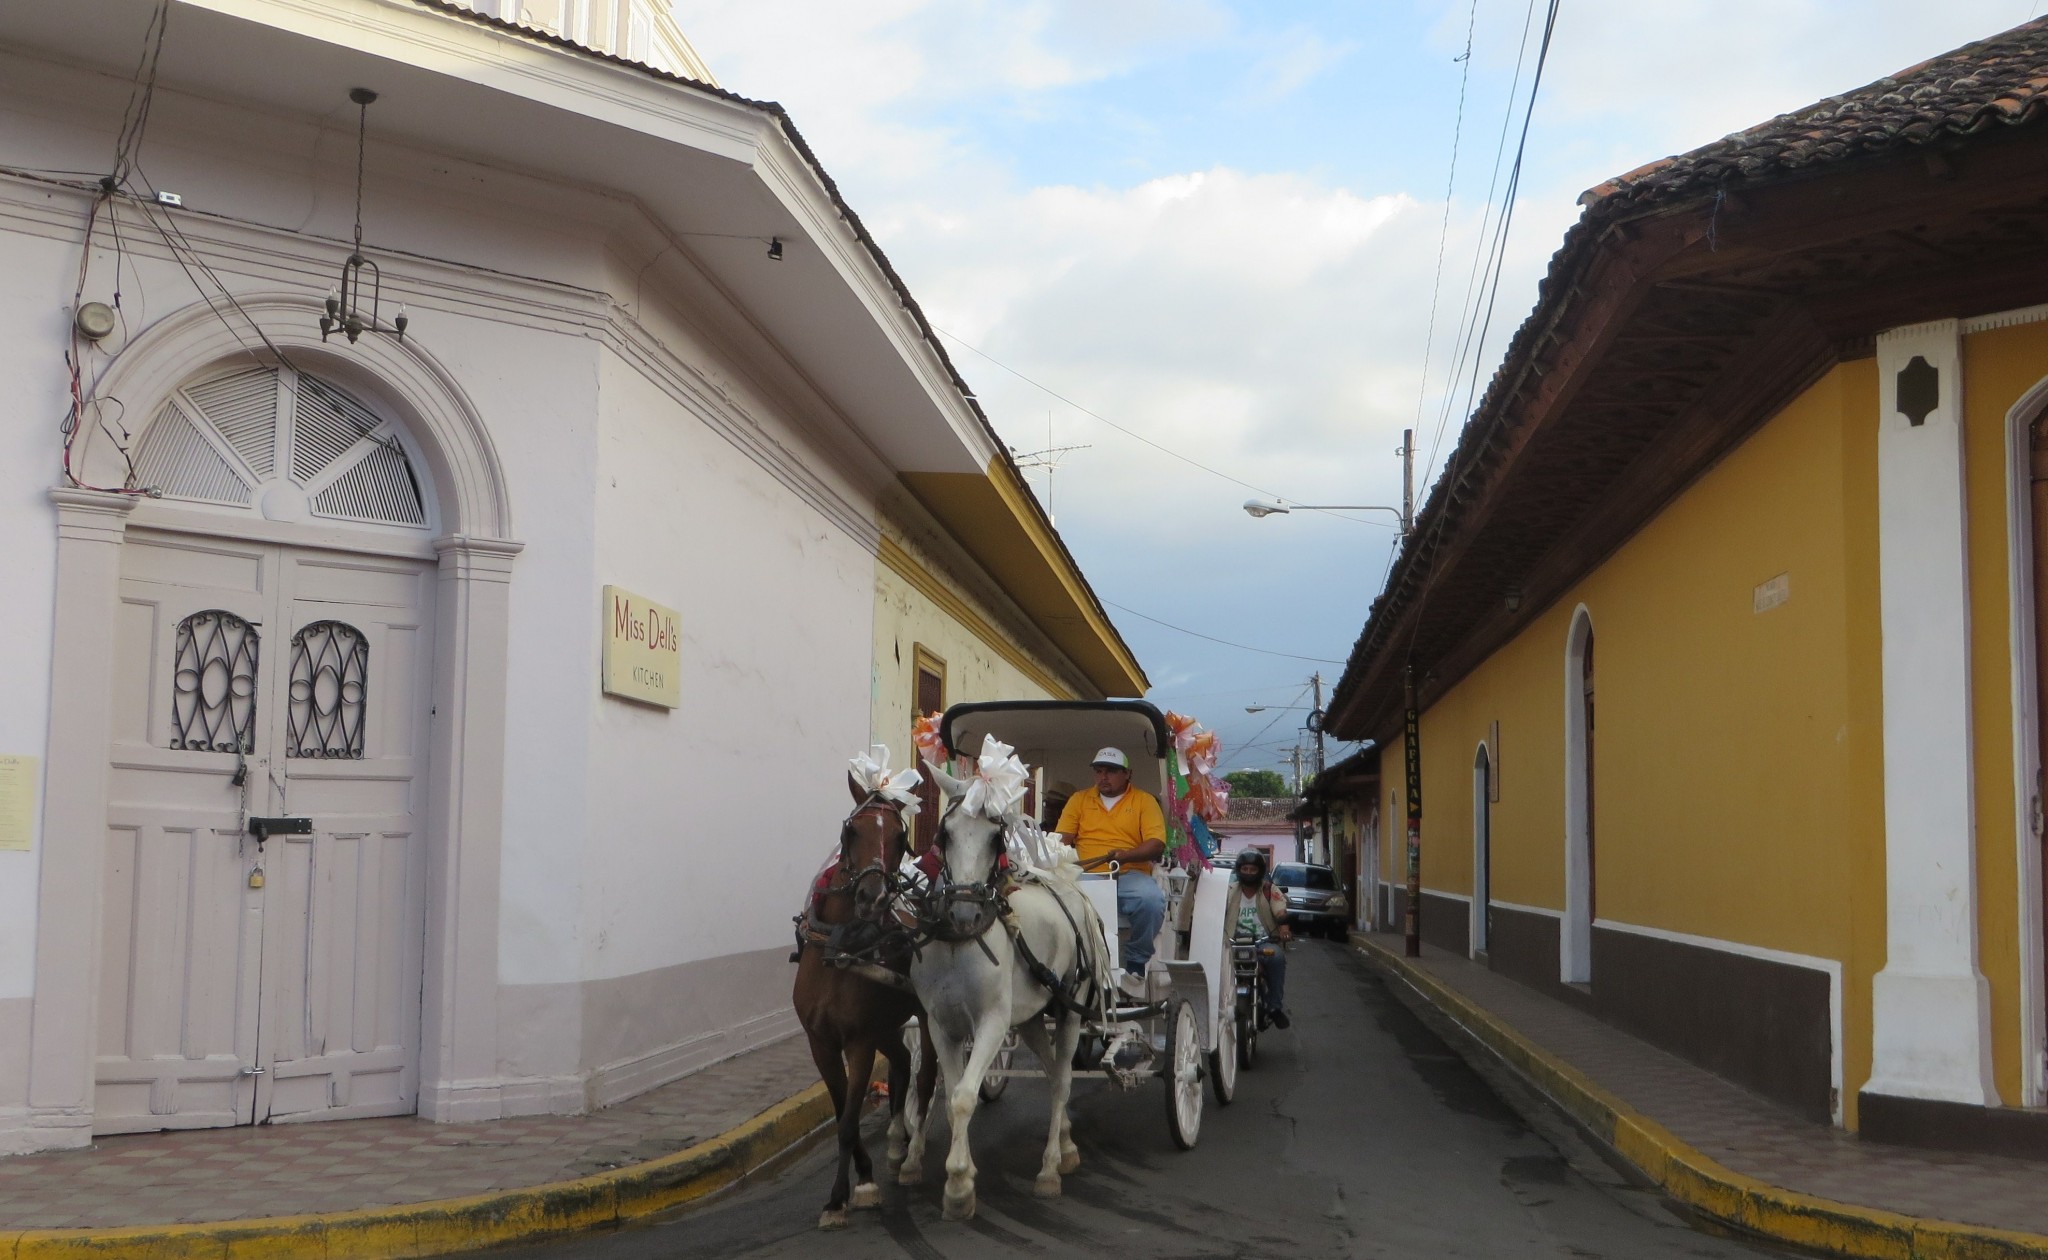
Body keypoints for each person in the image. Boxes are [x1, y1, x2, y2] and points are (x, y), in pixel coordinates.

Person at [1054, 747, 1168, 997]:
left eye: (1112, 771)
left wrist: (1125, 856)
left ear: (1128, 773)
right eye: (1099, 771)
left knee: (1151, 901)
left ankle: (1136, 963)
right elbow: (1063, 838)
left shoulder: (1144, 801)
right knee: (1055, 902)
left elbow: (1156, 843)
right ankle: (1068, 962)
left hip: (1129, 874)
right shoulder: (1079, 799)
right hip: (1087, 874)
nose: (1104, 777)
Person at [1223, 849, 1291, 1029]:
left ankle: (1275, 1007)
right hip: (1233, 942)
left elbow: (1280, 909)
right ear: (1238, 870)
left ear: (1260, 871)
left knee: (1277, 957)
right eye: (1244, 869)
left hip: (1263, 942)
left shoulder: (1269, 890)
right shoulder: (1229, 890)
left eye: (1253, 870)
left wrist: (1284, 927)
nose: (1248, 873)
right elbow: (1218, 910)